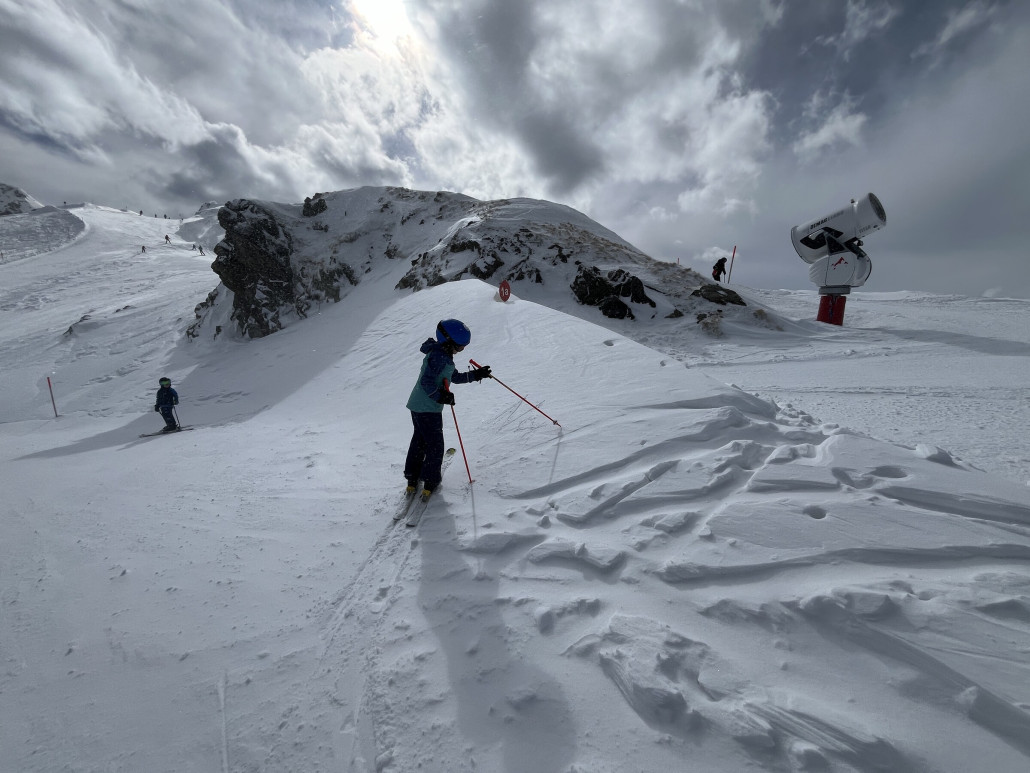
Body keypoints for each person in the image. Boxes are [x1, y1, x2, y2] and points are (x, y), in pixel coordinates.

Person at [404, 319, 491, 499]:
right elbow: (426, 382)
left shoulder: (440, 354)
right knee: (435, 445)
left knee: (420, 440)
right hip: (428, 408)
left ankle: (412, 477)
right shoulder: (439, 357)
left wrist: (476, 374)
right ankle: (430, 480)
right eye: (460, 347)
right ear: (448, 342)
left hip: (418, 405)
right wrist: (441, 396)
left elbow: (455, 377)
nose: (462, 350)